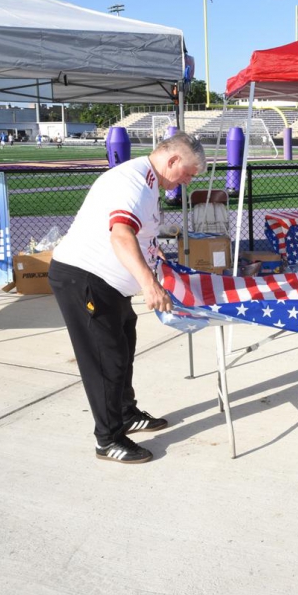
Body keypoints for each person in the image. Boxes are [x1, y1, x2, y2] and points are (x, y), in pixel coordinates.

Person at [49, 132, 207, 464]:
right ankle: (108, 439)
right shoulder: (132, 182)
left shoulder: (149, 180)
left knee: (123, 346)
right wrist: (149, 284)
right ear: (172, 160)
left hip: (109, 284)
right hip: (86, 278)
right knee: (105, 359)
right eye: (188, 173)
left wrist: (154, 256)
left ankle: (125, 412)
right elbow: (121, 235)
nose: (188, 181)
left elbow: (139, 233)